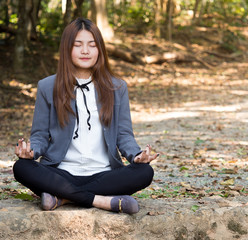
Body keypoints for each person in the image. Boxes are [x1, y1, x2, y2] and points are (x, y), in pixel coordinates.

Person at [13, 18, 158, 214]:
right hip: (60, 173)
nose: (85, 51)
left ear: (100, 49)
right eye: (78, 45)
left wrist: (137, 156)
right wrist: (31, 152)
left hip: (105, 174)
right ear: (66, 49)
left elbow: (124, 135)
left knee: (145, 172)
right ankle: (104, 201)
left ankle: (62, 198)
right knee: (22, 167)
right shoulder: (47, 86)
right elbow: (39, 136)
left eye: (92, 45)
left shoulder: (117, 87)